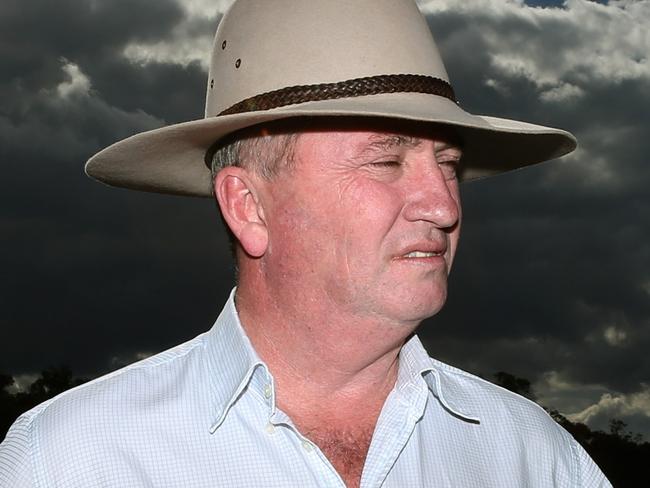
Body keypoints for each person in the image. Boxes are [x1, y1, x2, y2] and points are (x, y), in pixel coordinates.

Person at [0, 0, 611, 486]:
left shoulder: (532, 455)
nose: (444, 205)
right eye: (386, 160)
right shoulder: (72, 460)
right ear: (249, 205)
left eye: (448, 164)